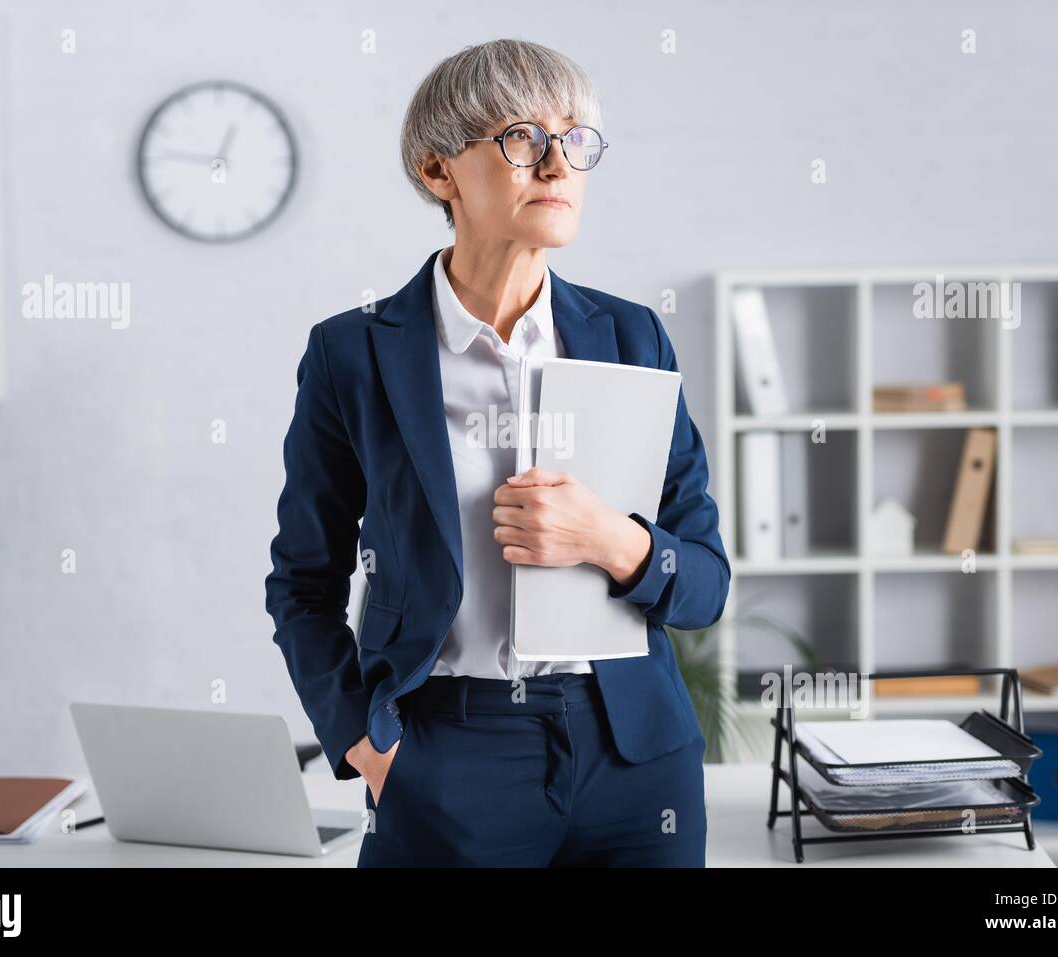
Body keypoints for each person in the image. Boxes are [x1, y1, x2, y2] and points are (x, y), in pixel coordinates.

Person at [265, 38, 729, 867]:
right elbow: (302, 583)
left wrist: (606, 539)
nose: (557, 164)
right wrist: (366, 745)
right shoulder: (353, 355)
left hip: (635, 754)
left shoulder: (632, 335)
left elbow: (705, 582)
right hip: (448, 753)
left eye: (575, 139)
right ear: (438, 171)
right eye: (521, 137)